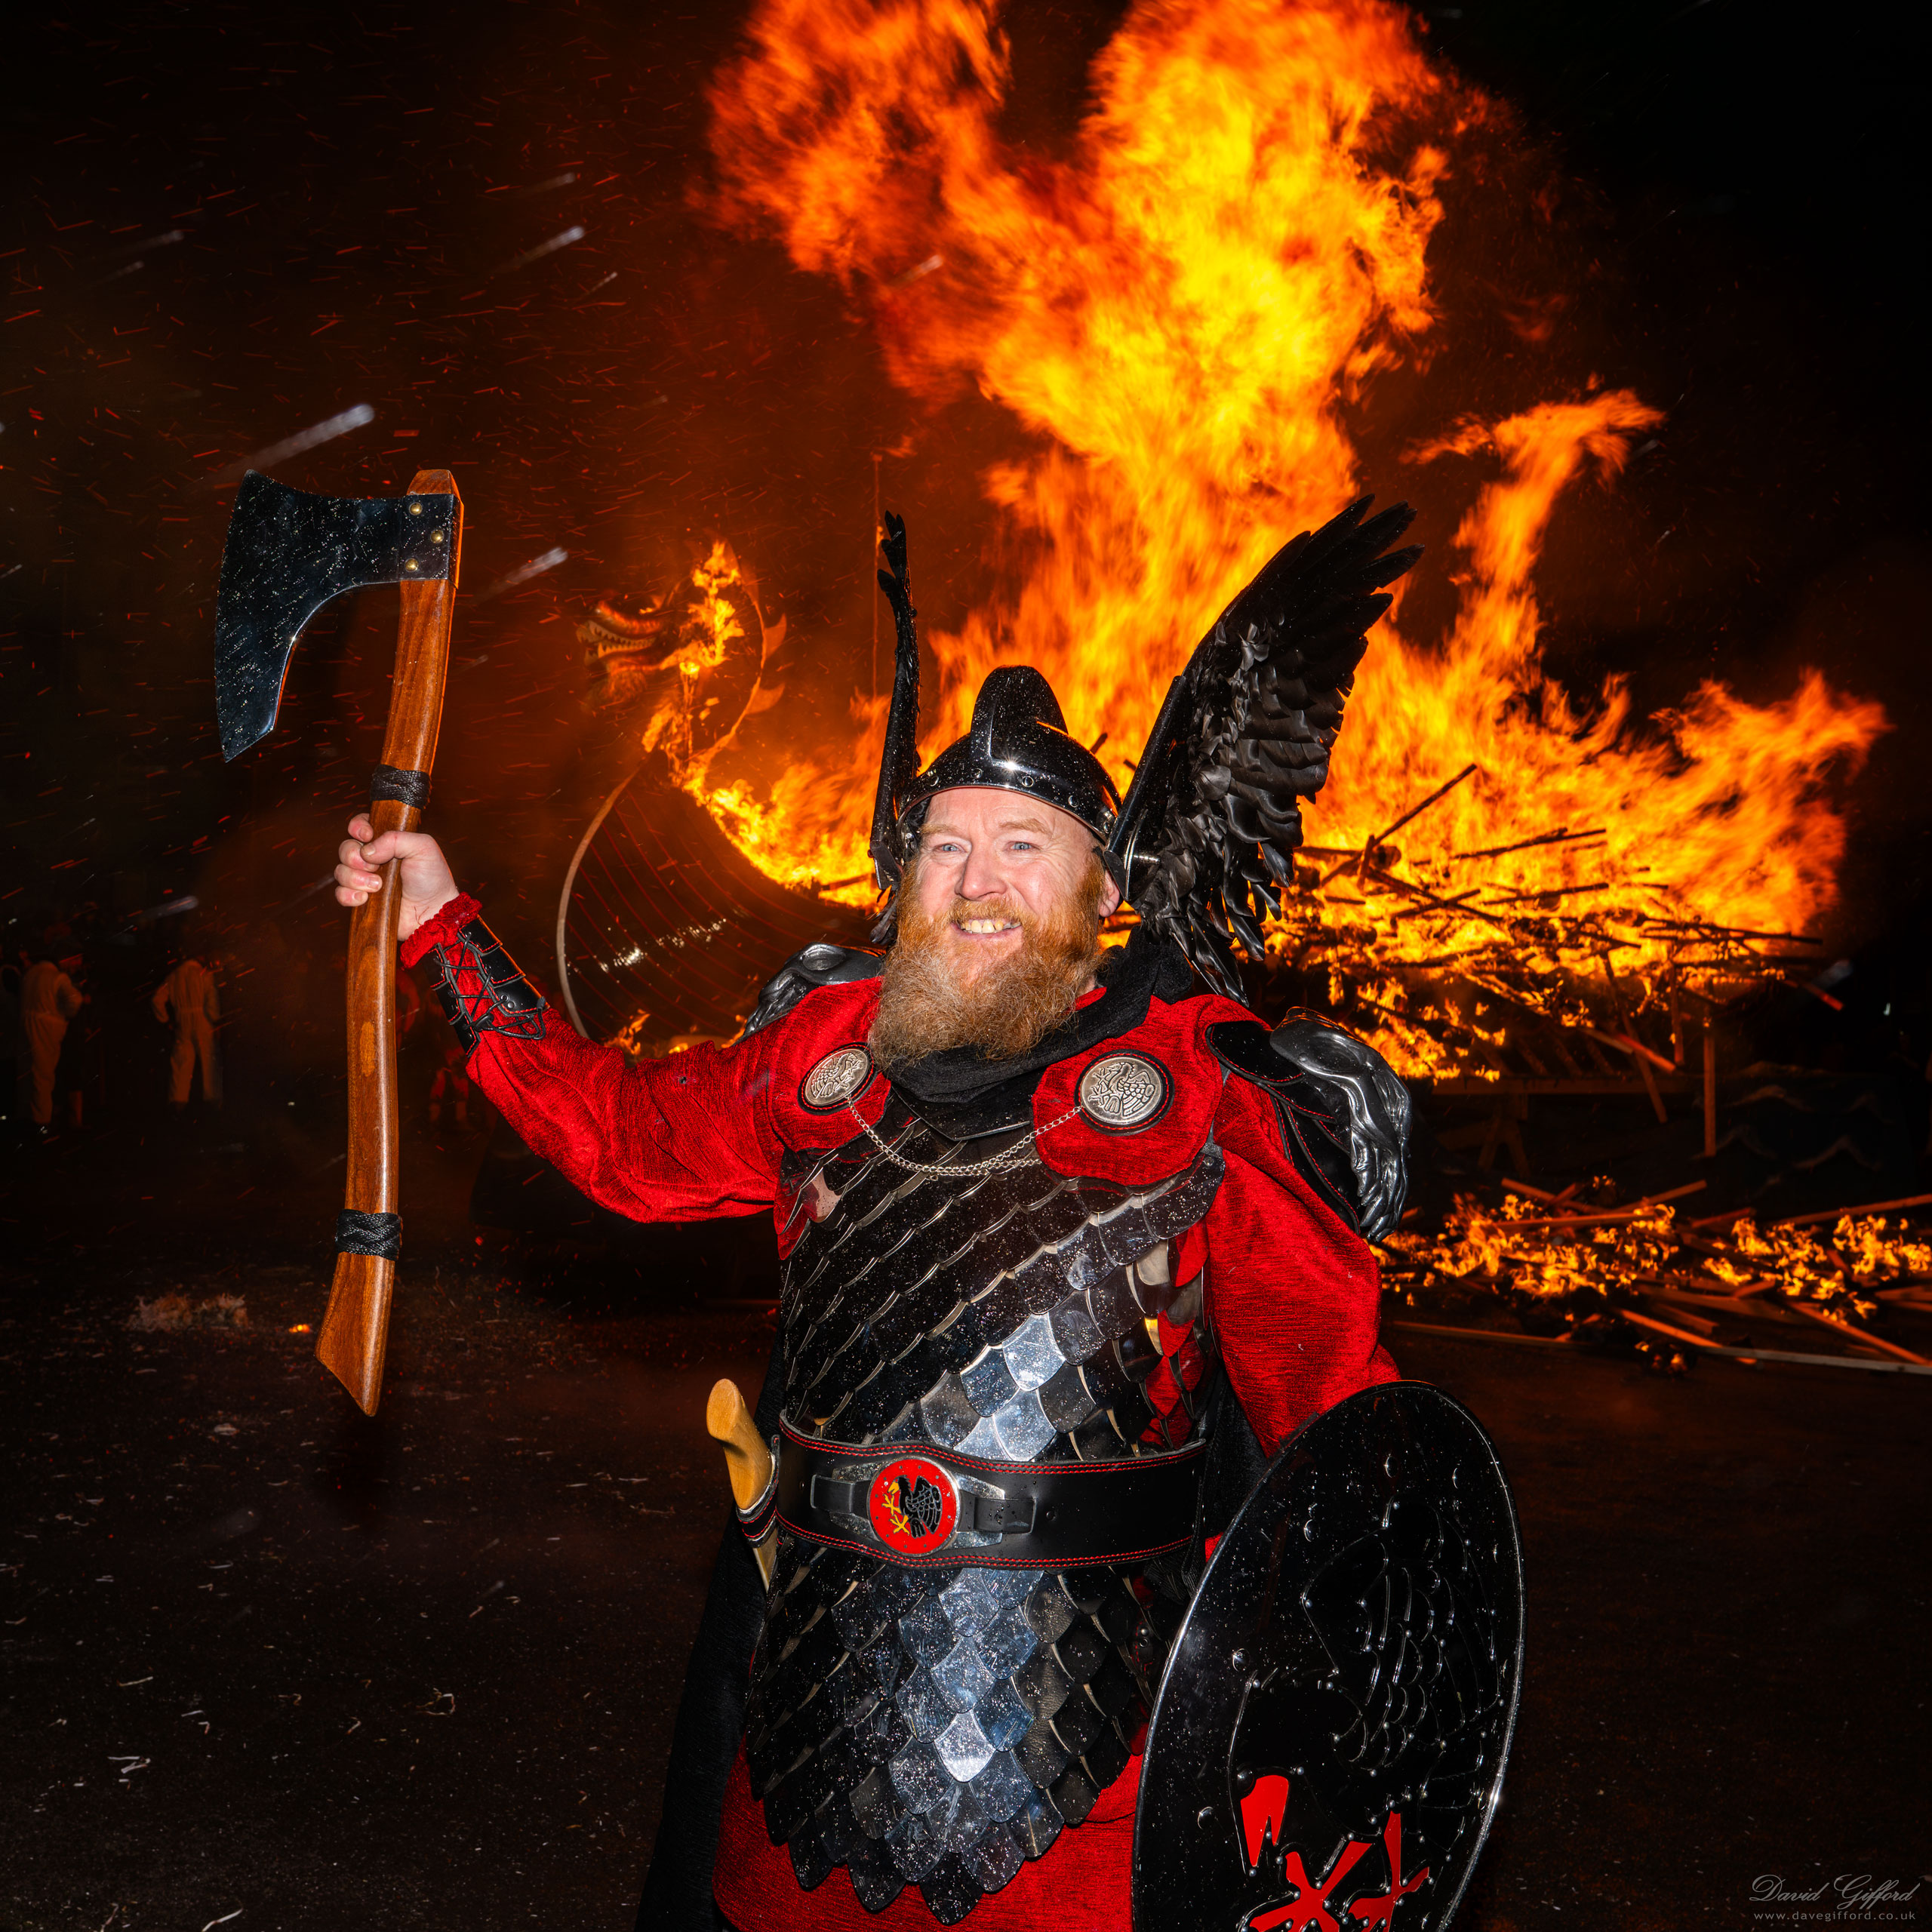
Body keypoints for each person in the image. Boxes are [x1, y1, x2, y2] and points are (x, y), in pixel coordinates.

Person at [331, 504, 1424, 1930]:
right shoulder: (824, 1054)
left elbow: (1331, 1414)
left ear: (1103, 887)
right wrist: (439, 920)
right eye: (945, 846)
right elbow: (620, 1139)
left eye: (1024, 847)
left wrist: (1336, 1717)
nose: (977, 882)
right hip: (818, 1704)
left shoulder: (1204, 1085)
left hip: (1097, 1747)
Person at [19, 946, 85, 1133]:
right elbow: (75, 1001)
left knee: (28, 1072)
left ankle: (26, 1116)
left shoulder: (30, 974)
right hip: (47, 1028)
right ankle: (42, 1121)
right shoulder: (57, 977)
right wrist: (65, 1015)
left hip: (26, 1024)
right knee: (44, 1075)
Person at [152, 950, 223, 1112]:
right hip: (203, 1020)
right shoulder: (204, 974)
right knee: (209, 1059)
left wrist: (166, 1020)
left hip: (181, 1022)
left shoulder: (174, 976)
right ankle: (213, 1101)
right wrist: (216, 1021)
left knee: (181, 1062)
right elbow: (212, 999)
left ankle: (178, 1103)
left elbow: (157, 999)